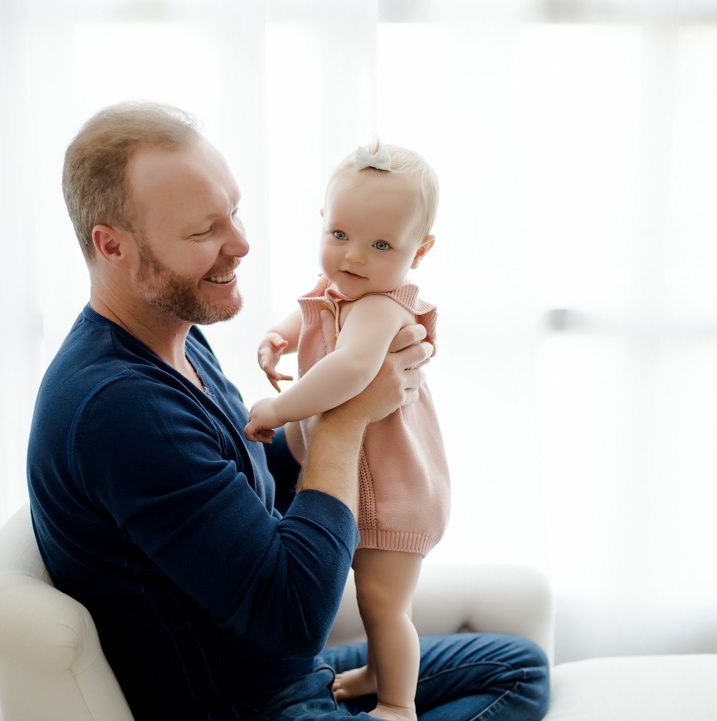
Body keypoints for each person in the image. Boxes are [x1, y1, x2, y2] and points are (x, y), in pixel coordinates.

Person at [27, 100, 550, 721]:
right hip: (252, 705)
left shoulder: (175, 335)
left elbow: (243, 476)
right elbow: (295, 616)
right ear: (113, 247)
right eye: (203, 232)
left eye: (235, 211)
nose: (242, 244)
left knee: (517, 665)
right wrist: (348, 414)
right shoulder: (119, 409)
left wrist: (345, 411)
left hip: (294, 676)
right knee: (511, 685)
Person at [244, 142, 448, 721]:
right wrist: (280, 337)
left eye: (382, 245)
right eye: (339, 235)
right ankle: (375, 674)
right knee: (373, 596)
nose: (353, 257)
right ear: (324, 223)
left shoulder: (383, 307)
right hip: (365, 484)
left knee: (385, 605)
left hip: (395, 491)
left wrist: (278, 410)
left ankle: (396, 702)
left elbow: (352, 369)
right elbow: (314, 304)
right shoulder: (347, 283)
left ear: (421, 250)